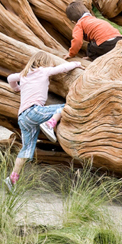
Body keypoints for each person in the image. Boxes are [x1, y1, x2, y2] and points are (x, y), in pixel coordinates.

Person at [5, 50, 83, 192]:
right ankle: (50, 123)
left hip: (23, 117)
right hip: (34, 111)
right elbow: (62, 68)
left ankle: (12, 179)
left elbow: (10, 77)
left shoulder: (23, 75)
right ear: (43, 62)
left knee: (27, 150)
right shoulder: (43, 71)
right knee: (65, 107)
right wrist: (77, 64)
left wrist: (16, 88)